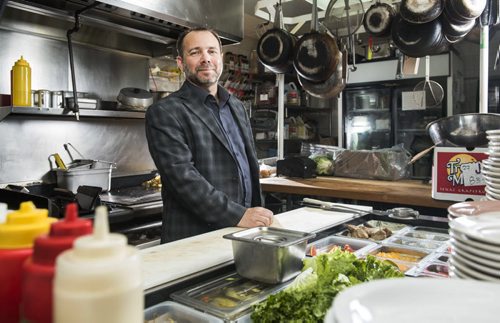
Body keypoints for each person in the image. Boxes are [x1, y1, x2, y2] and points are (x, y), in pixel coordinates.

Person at [145, 27, 274, 243]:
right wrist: (239, 214)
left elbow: (246, 167)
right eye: (195, 52)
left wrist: (254, 213)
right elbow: (183, 179)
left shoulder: (237, 106)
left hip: (244, 236)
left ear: (220, 58)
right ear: (180, 62)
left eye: (212, 51)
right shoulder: (165, 112)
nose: (206, 58)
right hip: (194, 238)